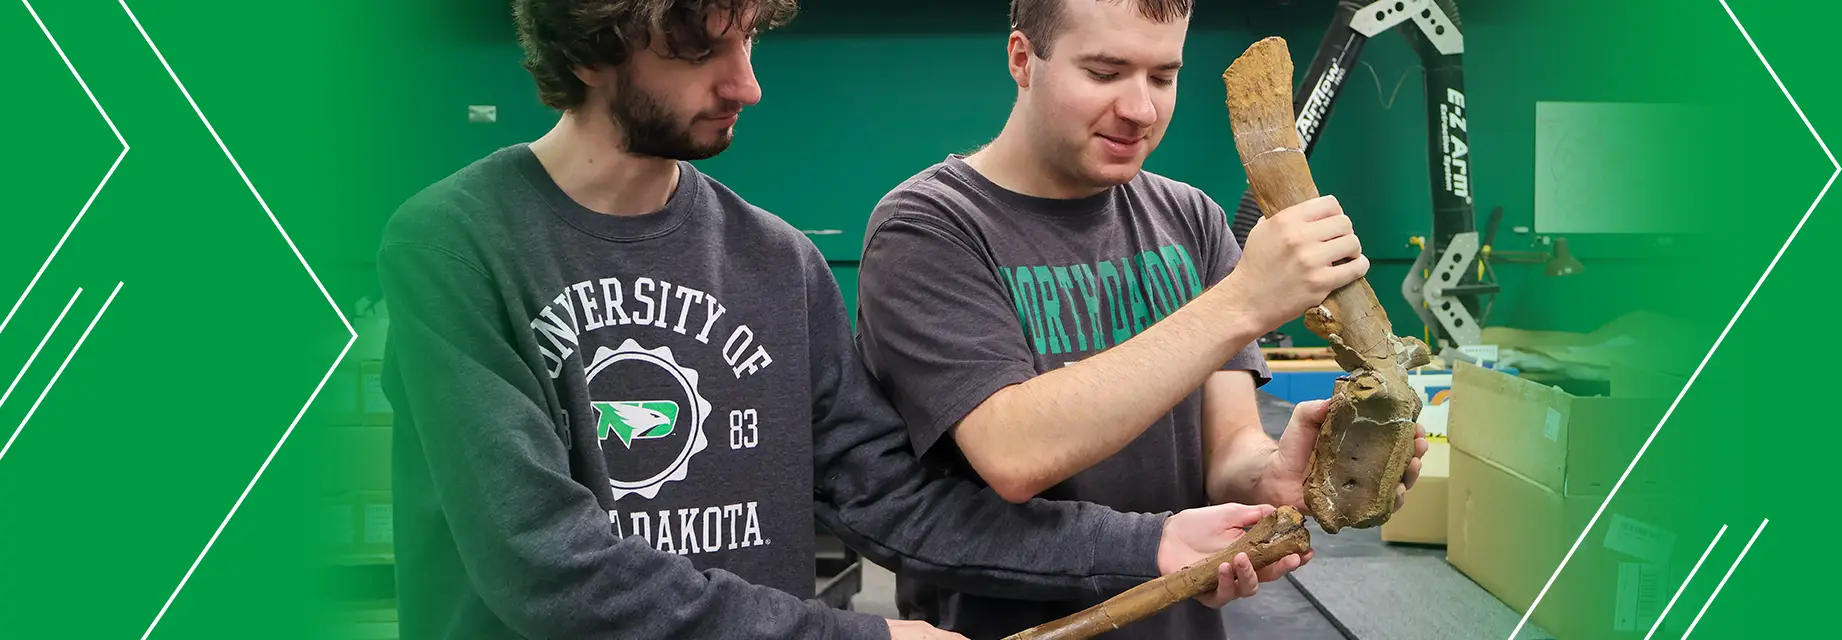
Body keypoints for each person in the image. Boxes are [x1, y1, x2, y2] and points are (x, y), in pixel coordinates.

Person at [375, 1, 1290, 639]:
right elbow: (544, 563)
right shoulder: (456, 246)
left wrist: (1151, 541)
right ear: (589, 45)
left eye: (750, 44)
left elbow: (894, 502)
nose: (748, 85)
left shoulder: (777, 263)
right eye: (701, 52)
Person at [852, 0, 1429, 638]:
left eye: (1162, 76)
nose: (1141, 110)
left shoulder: (1193, 220)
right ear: (1023, 58)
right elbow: (1011, 450)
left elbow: (1228, 447)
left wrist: (1272, 473)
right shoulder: (929, 229)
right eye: (1104, 72)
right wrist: (1243, 300)